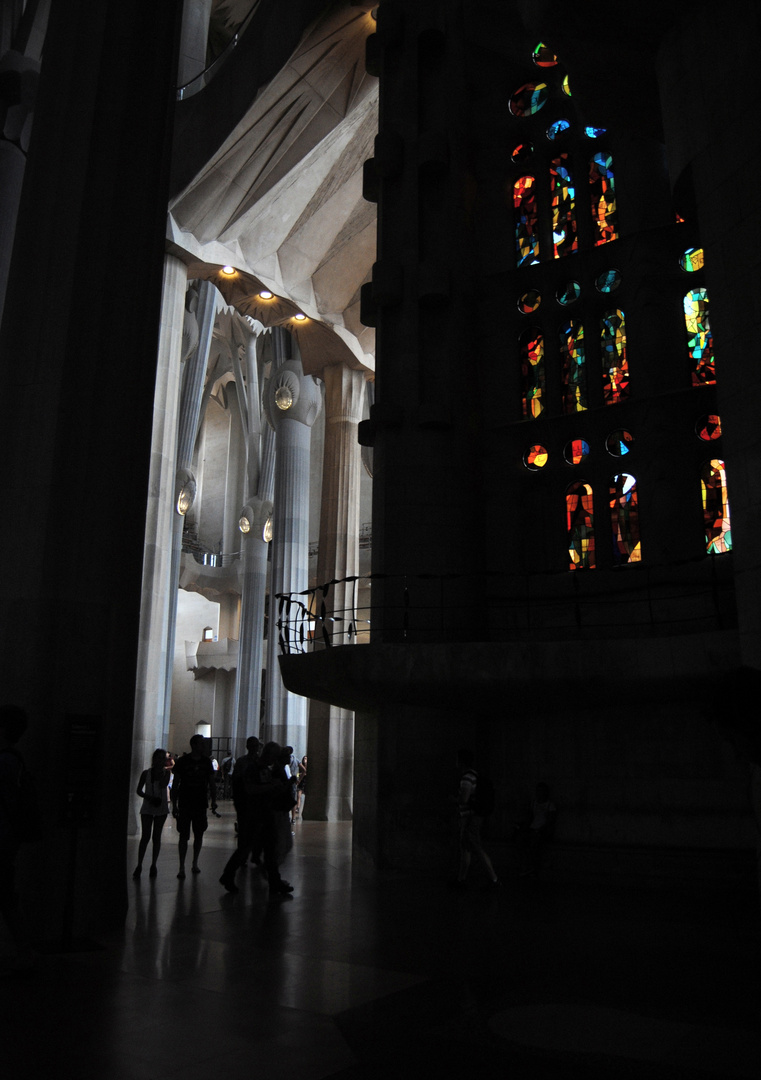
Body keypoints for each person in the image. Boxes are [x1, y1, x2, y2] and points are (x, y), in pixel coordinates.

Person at [219, 741, 294, 896]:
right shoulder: (252, 768)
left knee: (269, 850)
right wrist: (271, 787)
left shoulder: (265, 768)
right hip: (253, 815)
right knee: (245, 848)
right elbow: (250, 789)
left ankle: (275, 882)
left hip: (265, 813)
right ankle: (227, 875)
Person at [0, 705, 37, 970]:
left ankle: (25, 953)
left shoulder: (5, 761)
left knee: (7, 898)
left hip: (3, 838)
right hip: (7, 839)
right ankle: (24, 952)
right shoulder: (14, 760)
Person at [453, 747, 500, 889]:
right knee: (466, 848)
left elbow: (464, 799)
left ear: (461, 761)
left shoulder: (466, 778)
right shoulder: (475, 775)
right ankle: (461, 880)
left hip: (469, 817)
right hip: (473, 817)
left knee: (475, 847)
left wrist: (453, 799)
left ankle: (494, 880)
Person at [171, 734, 217, 879]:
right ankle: (181, 866)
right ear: (195, 745)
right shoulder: (183, 762)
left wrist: (213, 800)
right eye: (201, 743)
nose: (204, 746)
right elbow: (176, 784)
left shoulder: (206, 762)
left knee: (199, 834)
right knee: (183, 836)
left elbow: (211, 783)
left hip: (200, 803)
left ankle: (195, 862)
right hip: (185, 802)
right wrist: (174, 805)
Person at [133, 749, 171, 879]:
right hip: (148, 806)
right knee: (145, 836)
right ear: (154, 759)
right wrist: (149, 797)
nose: (161, 761)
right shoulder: (146, 774)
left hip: (160, 808)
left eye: (163, 758)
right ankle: (139, 864)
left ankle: (153, 864)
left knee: (156, 837)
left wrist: (163, 773)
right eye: (158, 758)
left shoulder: (167, 773)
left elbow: (163, 784)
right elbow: (139, 790)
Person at [517, 782, 557, 877]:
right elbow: (530, 817)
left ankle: (531, 866)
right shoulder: (534, 803)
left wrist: (540, 830)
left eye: (541, 791)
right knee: (521, 841)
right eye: (537, 791)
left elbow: (550, 821)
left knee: (534, 843)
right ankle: (526, 865)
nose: (539, 793)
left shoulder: (550, 805)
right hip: (533, 828)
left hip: (542, 831)